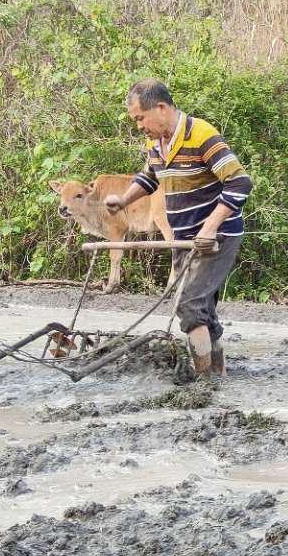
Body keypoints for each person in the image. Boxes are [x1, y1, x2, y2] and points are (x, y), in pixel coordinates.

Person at [105, 78, 252, 379]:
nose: (139, 126)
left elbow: (240, 182)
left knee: (189, 305)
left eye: (140, 118)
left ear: (160, 108)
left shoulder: (201, 134)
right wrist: (122, 200)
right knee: (203, 309)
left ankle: (204, 380)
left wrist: (210, 227)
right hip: (184, 240)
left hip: (216, 237)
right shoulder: (156, 143)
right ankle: (219, 374)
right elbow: (149, 177)